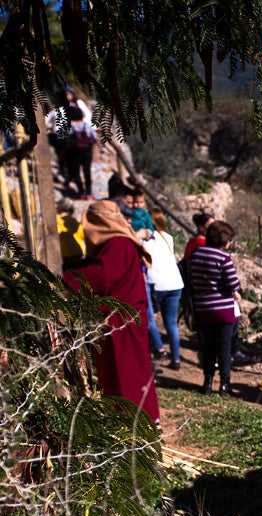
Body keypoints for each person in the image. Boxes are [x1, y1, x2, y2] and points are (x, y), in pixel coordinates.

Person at [61, 200, 160, 424]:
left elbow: (102, 275)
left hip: (122, 319)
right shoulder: (118, 244)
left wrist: (65, 279)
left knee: (126, 372)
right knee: (127, 370)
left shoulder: (118, 244)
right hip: (125, 317)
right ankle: (135, 418)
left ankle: (130, 421)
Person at [188, 221, 241, 396]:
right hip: (223, 310)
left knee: (208, 347)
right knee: (224, 347)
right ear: (225, 241)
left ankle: (207, 382)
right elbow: (233, 284)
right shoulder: (223, 258)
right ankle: (225, 385)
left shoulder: (195, 254)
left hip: (202, 308)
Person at [145, 210, 186, 370]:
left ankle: (159, 347)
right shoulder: (168, 237)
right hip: (175, 283)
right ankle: (176, 359)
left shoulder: (145, 240)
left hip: (155, 283)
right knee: (171, 323)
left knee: (149, 318)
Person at [63, 105, 97, 200]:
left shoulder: (69, 127)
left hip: (74, 153)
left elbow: (63, 138)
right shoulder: (87, 126)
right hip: (87, 152)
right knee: (87, 172)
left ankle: (81, 193)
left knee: (76, 172)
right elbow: (95, 138)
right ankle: (89, 193)